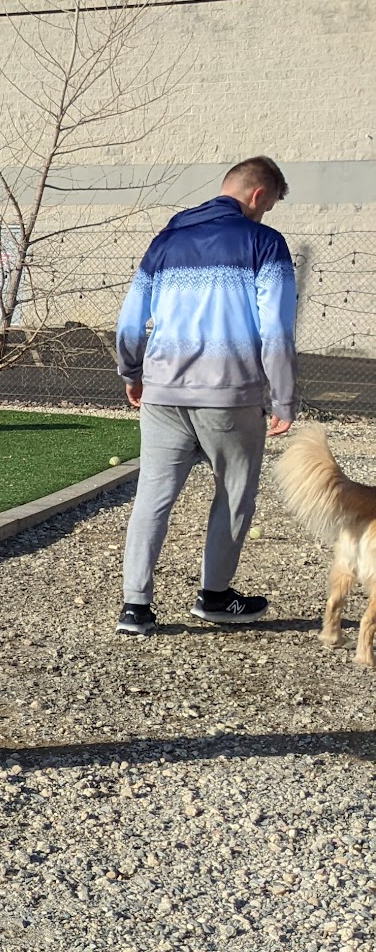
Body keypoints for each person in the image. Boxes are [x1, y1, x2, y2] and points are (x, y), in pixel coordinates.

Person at [114, 155, 297, 637]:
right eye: (267, 206)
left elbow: (130, 320)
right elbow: (276, 330)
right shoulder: (264, 243)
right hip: (230, 394)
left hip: (162, 390)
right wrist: (284, 398)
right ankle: (215, 597)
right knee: (234, 495)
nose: (265, 214)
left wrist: (132, 371)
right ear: (258, 195)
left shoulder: (166, 241)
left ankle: (135, 607)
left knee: (152, 496)